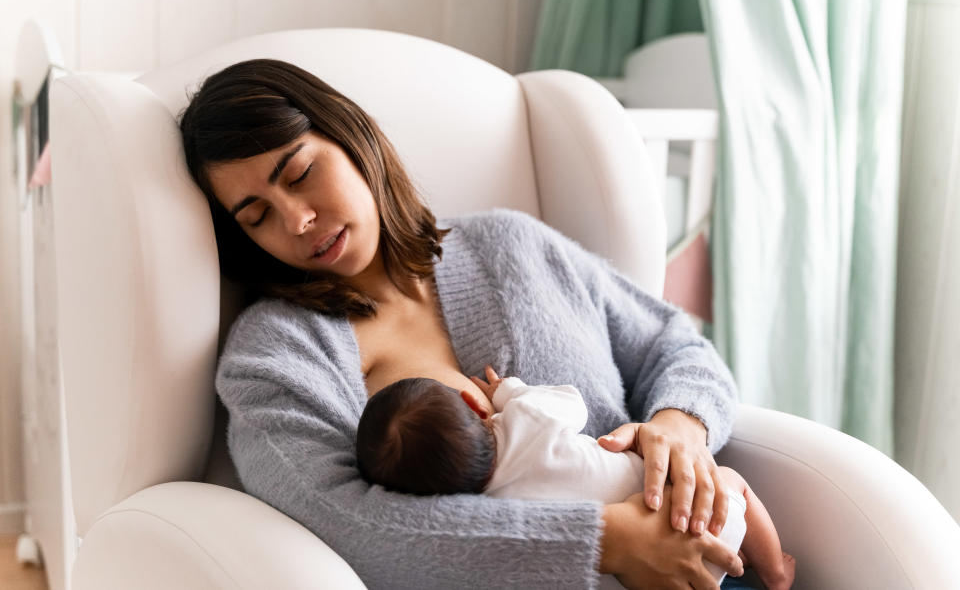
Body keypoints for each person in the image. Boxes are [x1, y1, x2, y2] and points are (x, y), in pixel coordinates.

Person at [179, 57, 749, 589]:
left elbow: (673, 344)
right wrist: (604, 541)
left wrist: (681, 429)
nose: (298, 220)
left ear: (353, 138)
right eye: (258, 217)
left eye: (301, 173)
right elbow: (344, 522)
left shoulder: (514, 244)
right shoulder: (272, 357)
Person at [356, 367, 796, 590]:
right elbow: (574, 404)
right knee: (732, 480)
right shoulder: (526, 416)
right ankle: (776, 572)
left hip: (645, 580)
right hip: (700, 518)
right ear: (474, 407)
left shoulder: (491, 514)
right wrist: (509, 391)